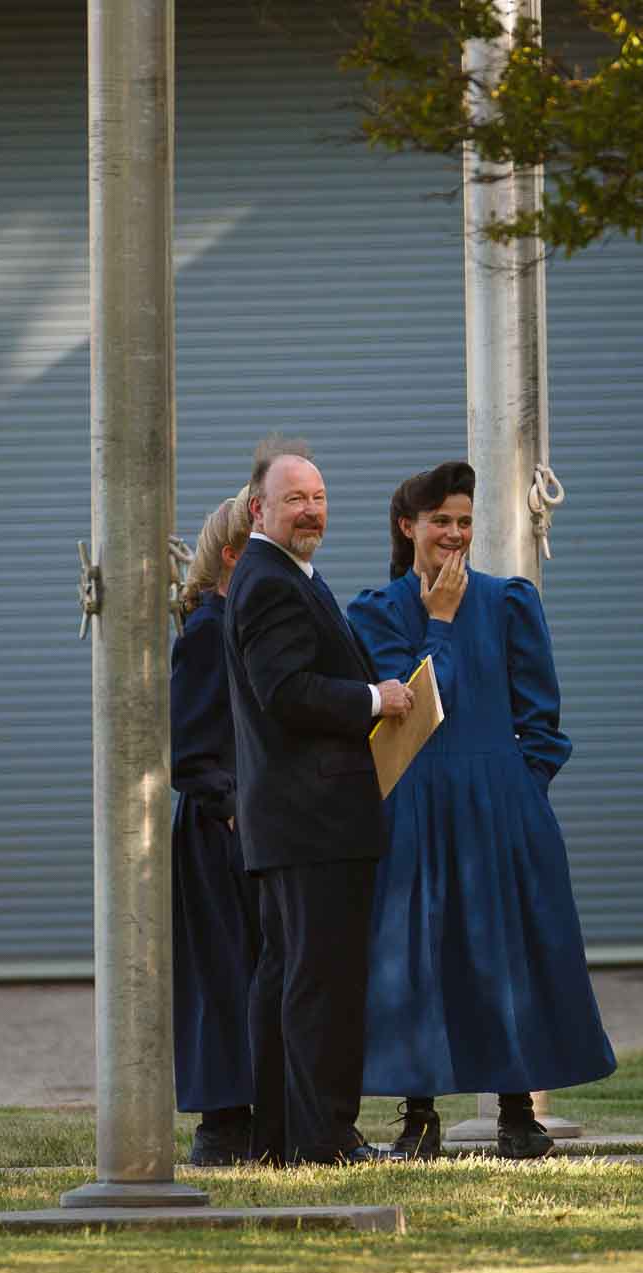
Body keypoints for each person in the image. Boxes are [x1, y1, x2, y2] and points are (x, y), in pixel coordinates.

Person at [346, 461, 616, 1161]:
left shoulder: (510, 602)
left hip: (499, 804)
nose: (456, 535)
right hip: (414, 804)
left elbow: (543, 718)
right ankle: (420, 1115)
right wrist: (438, 621)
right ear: (409, 527)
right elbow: (417, 708)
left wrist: (521, 789)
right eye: (442, 522)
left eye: (465, 522)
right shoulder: (375, 611)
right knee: (416, 958)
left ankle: (517, 1110)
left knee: (507, 954)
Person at [222, 439, 415, 1165]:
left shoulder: (287, 573)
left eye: (320, 497)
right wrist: (376, 697)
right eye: (295, 497)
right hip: (312, 822)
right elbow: (286, 692)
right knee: (321, 985)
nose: (311, 510)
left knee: (287, 979)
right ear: (257, 508)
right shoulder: (271, 579)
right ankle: (324, 1138)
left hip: (297, 823)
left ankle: (280, 1139)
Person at [168, 487, 260, 1166]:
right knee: (222, 973)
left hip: (248, 821)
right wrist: (230, 810)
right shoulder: (207, 631)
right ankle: (222, 1123)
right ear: (232, 557)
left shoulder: (240, 624)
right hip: (217, 832)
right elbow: (191, 750)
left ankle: (252, 1114)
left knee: (252, 968)